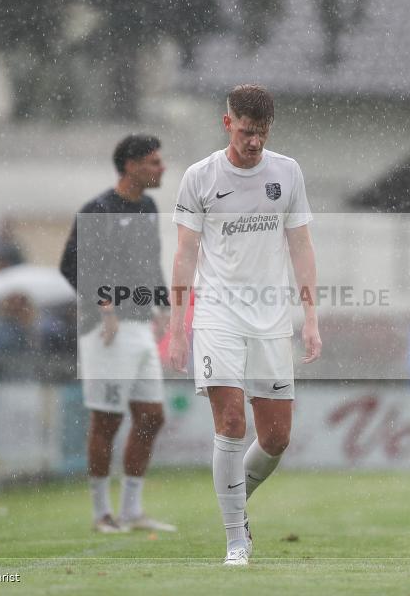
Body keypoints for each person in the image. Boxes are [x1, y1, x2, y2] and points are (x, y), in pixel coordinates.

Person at [168, 85, 321, 566]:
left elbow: (301, 247)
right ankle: (236, 537)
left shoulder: (287, 172)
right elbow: (185, 254)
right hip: (217, 314)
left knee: (276, 438)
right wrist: (177, 327)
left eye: (262, 133)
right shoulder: (200, 177)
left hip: (270, 318)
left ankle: (232, 499)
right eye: (246, 131)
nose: (253, 141)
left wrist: (311, 317)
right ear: (227, 123)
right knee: (231, 422)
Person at [59, 134, 176, 534]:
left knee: (152, 416)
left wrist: (163, 305)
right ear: (130, 165)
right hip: (105, 330)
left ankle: (131, 510)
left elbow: (150, 262)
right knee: (107, 419)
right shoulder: (99, 209)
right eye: (154, 162)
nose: (161, 168)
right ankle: (101, 513)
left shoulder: (148, 207)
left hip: (140, 326)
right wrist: (103, 304)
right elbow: (70, 265)